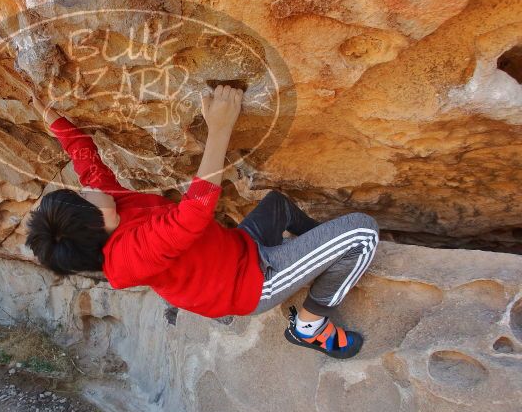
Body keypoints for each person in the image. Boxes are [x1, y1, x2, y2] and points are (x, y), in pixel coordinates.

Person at [26, 85, 379, 358]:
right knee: (362, 232)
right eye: (84, 198)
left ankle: (318, 255)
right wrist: (220, 127)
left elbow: (88, 164)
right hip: (253, 284)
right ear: (97, 223)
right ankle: (309, 326)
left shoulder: (106, 211)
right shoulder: (129, 255)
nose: (86, 190)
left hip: (239, 249)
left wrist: (53, 121)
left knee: (278, 205)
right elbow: (193, 213)